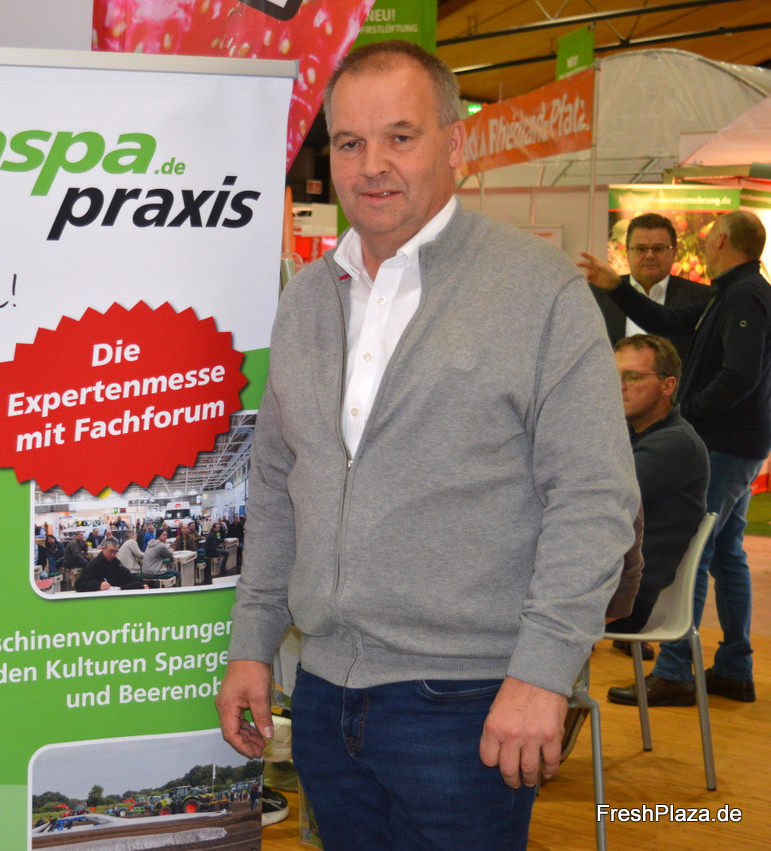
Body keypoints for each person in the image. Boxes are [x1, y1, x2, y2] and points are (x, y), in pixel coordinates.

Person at [216, 40, 636, 850]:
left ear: (455, 144)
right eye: (349, 142)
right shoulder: (308, 299)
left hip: (469, 701)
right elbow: (275, 484)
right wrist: (252, 643)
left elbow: (594, 496)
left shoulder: (539, 289)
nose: (372, 165)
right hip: (324, 693)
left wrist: (543, 669)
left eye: (400, 137)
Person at [582, 210, 771, 705]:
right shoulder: (730, 293)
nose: (701, 248)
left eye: (706, 240)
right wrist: (615, 286)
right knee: (725, 552)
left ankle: (676, 671)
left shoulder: (743, 294)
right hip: (735, 442)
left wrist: (685, 413)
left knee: (697, 552)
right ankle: (734, 667)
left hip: (723, 442)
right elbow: (666, 322)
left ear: (723, 241)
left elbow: (740, 374)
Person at [607, 336, 710, 637]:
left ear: (668, 386)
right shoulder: (635, 434)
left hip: (627, 600)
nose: (618, 386)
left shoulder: (675, 444)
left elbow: (598, 501)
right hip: (608, 585)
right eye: (612, 374)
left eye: (632, 376)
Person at [588, 212, 712, 358]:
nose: (649, 256)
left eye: (658, 248)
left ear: (674, 252)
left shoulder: (702, 297)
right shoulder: (597, 296)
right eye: (641, 249)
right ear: (628, 252)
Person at [75, 540, 147, 592]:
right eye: (110, 551)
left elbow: (127, 575)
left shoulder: (115, 562)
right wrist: (98, 585)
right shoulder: (95, 564)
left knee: (138, 584)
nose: (113, 555)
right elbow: (79, 584)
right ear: (103, 549)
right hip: (102, 596)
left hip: (117, 591)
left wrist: (142, 583)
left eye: (115, 552)